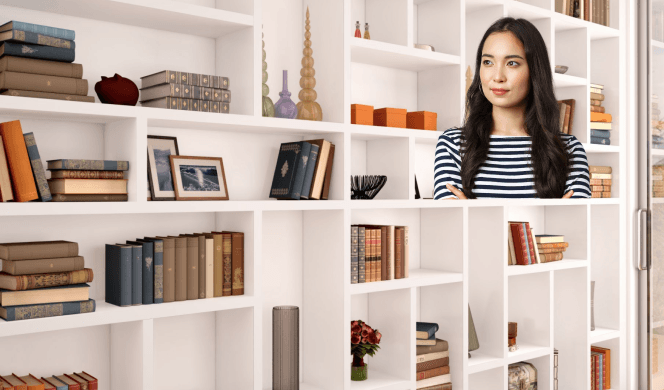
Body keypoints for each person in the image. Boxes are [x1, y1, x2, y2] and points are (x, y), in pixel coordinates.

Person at [434, 17, 591, 199]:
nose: (498, 76)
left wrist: (473, 212)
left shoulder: (568, 149)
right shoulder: (452, 144)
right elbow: (452, 224)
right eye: (488, 62)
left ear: (535, 71)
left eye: (512, 63)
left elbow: (573, 225)